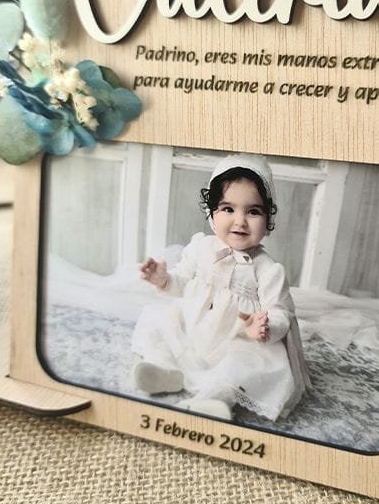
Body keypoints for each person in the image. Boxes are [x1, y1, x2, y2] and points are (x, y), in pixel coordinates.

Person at [131, 153, 309, 421]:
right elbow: (183, 283)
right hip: (195, 330)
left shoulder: (267, 269)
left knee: (248, 363)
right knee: (161, 320)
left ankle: (215, 398)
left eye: (253, 211)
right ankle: (166, 371)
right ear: (211, 212)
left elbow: (281, 313)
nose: (240, 221)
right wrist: (163, 280)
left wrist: (264, 326)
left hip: (239, 339)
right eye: (228, 209)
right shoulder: (201, 247)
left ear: (268, 217)